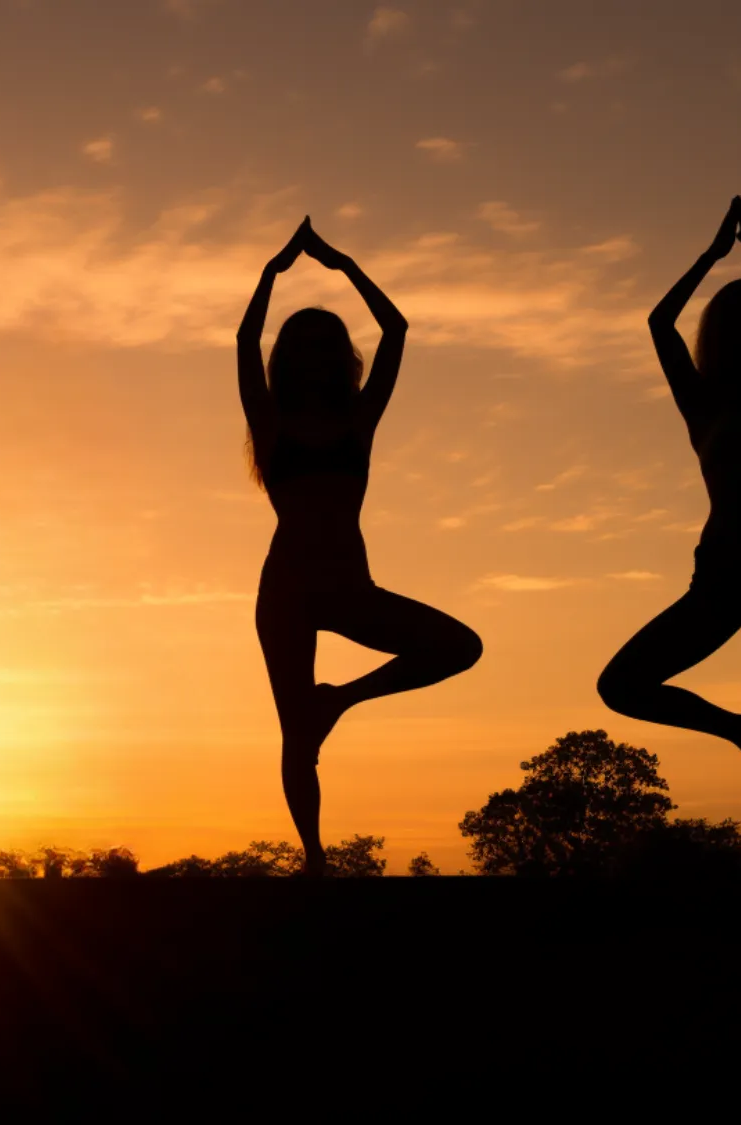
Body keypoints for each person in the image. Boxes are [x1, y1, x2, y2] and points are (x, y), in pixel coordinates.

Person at [238, 218, 482, 874]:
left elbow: (397, 331)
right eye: (306, 344)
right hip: (286, 588)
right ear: (290, 357)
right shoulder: (271, 423)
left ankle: (338, 699)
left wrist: (345, 264)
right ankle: (314, 857)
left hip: (351, 588)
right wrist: (271, 273)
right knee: (296, 735)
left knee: (460, 646)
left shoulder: (357, 418)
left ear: (339, 355)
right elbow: (243, 338)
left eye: (327, 343)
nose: (317, 354)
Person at [598, 197, 741, 874]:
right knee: (623, 684)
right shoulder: (704, 401)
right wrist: (717, 255)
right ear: (725, 338)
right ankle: (739, 732)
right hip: (722, 575)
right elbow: (659, 323)